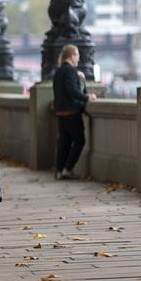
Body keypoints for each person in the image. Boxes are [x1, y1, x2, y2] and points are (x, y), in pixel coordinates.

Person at [52, 44, 97, 180]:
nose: (79, 58)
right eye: (77, 55)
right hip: (71, 111)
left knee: (64, 142)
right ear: (72, 56)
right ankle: (68, 168)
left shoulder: (58, 72)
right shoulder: (70, 70)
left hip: (60, 111)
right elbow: (72, 90)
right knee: (79, 140)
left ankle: (59, 170)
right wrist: (87, 97)